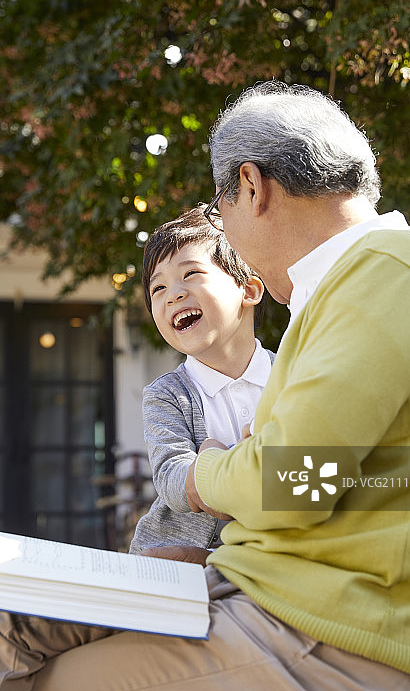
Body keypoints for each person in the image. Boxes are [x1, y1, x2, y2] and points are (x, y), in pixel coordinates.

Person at [0, 81, 410, 691]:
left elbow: (294, 479)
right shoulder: (368, 282)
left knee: (41, 674)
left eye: (222, 211)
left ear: (252, 188)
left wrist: (203, 475)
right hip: (268, 592)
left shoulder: (386, 272)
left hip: (323, 632)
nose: (229, 235)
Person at [129, 205, 274, 557]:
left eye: (191, 274)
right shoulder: (167, 394)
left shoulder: (292, 373)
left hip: (270, 555)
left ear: (250, 290)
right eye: (158, 288)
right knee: (164, 563)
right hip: (183, 551)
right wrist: (210, 465)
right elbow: (171, 476)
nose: (173, 294)